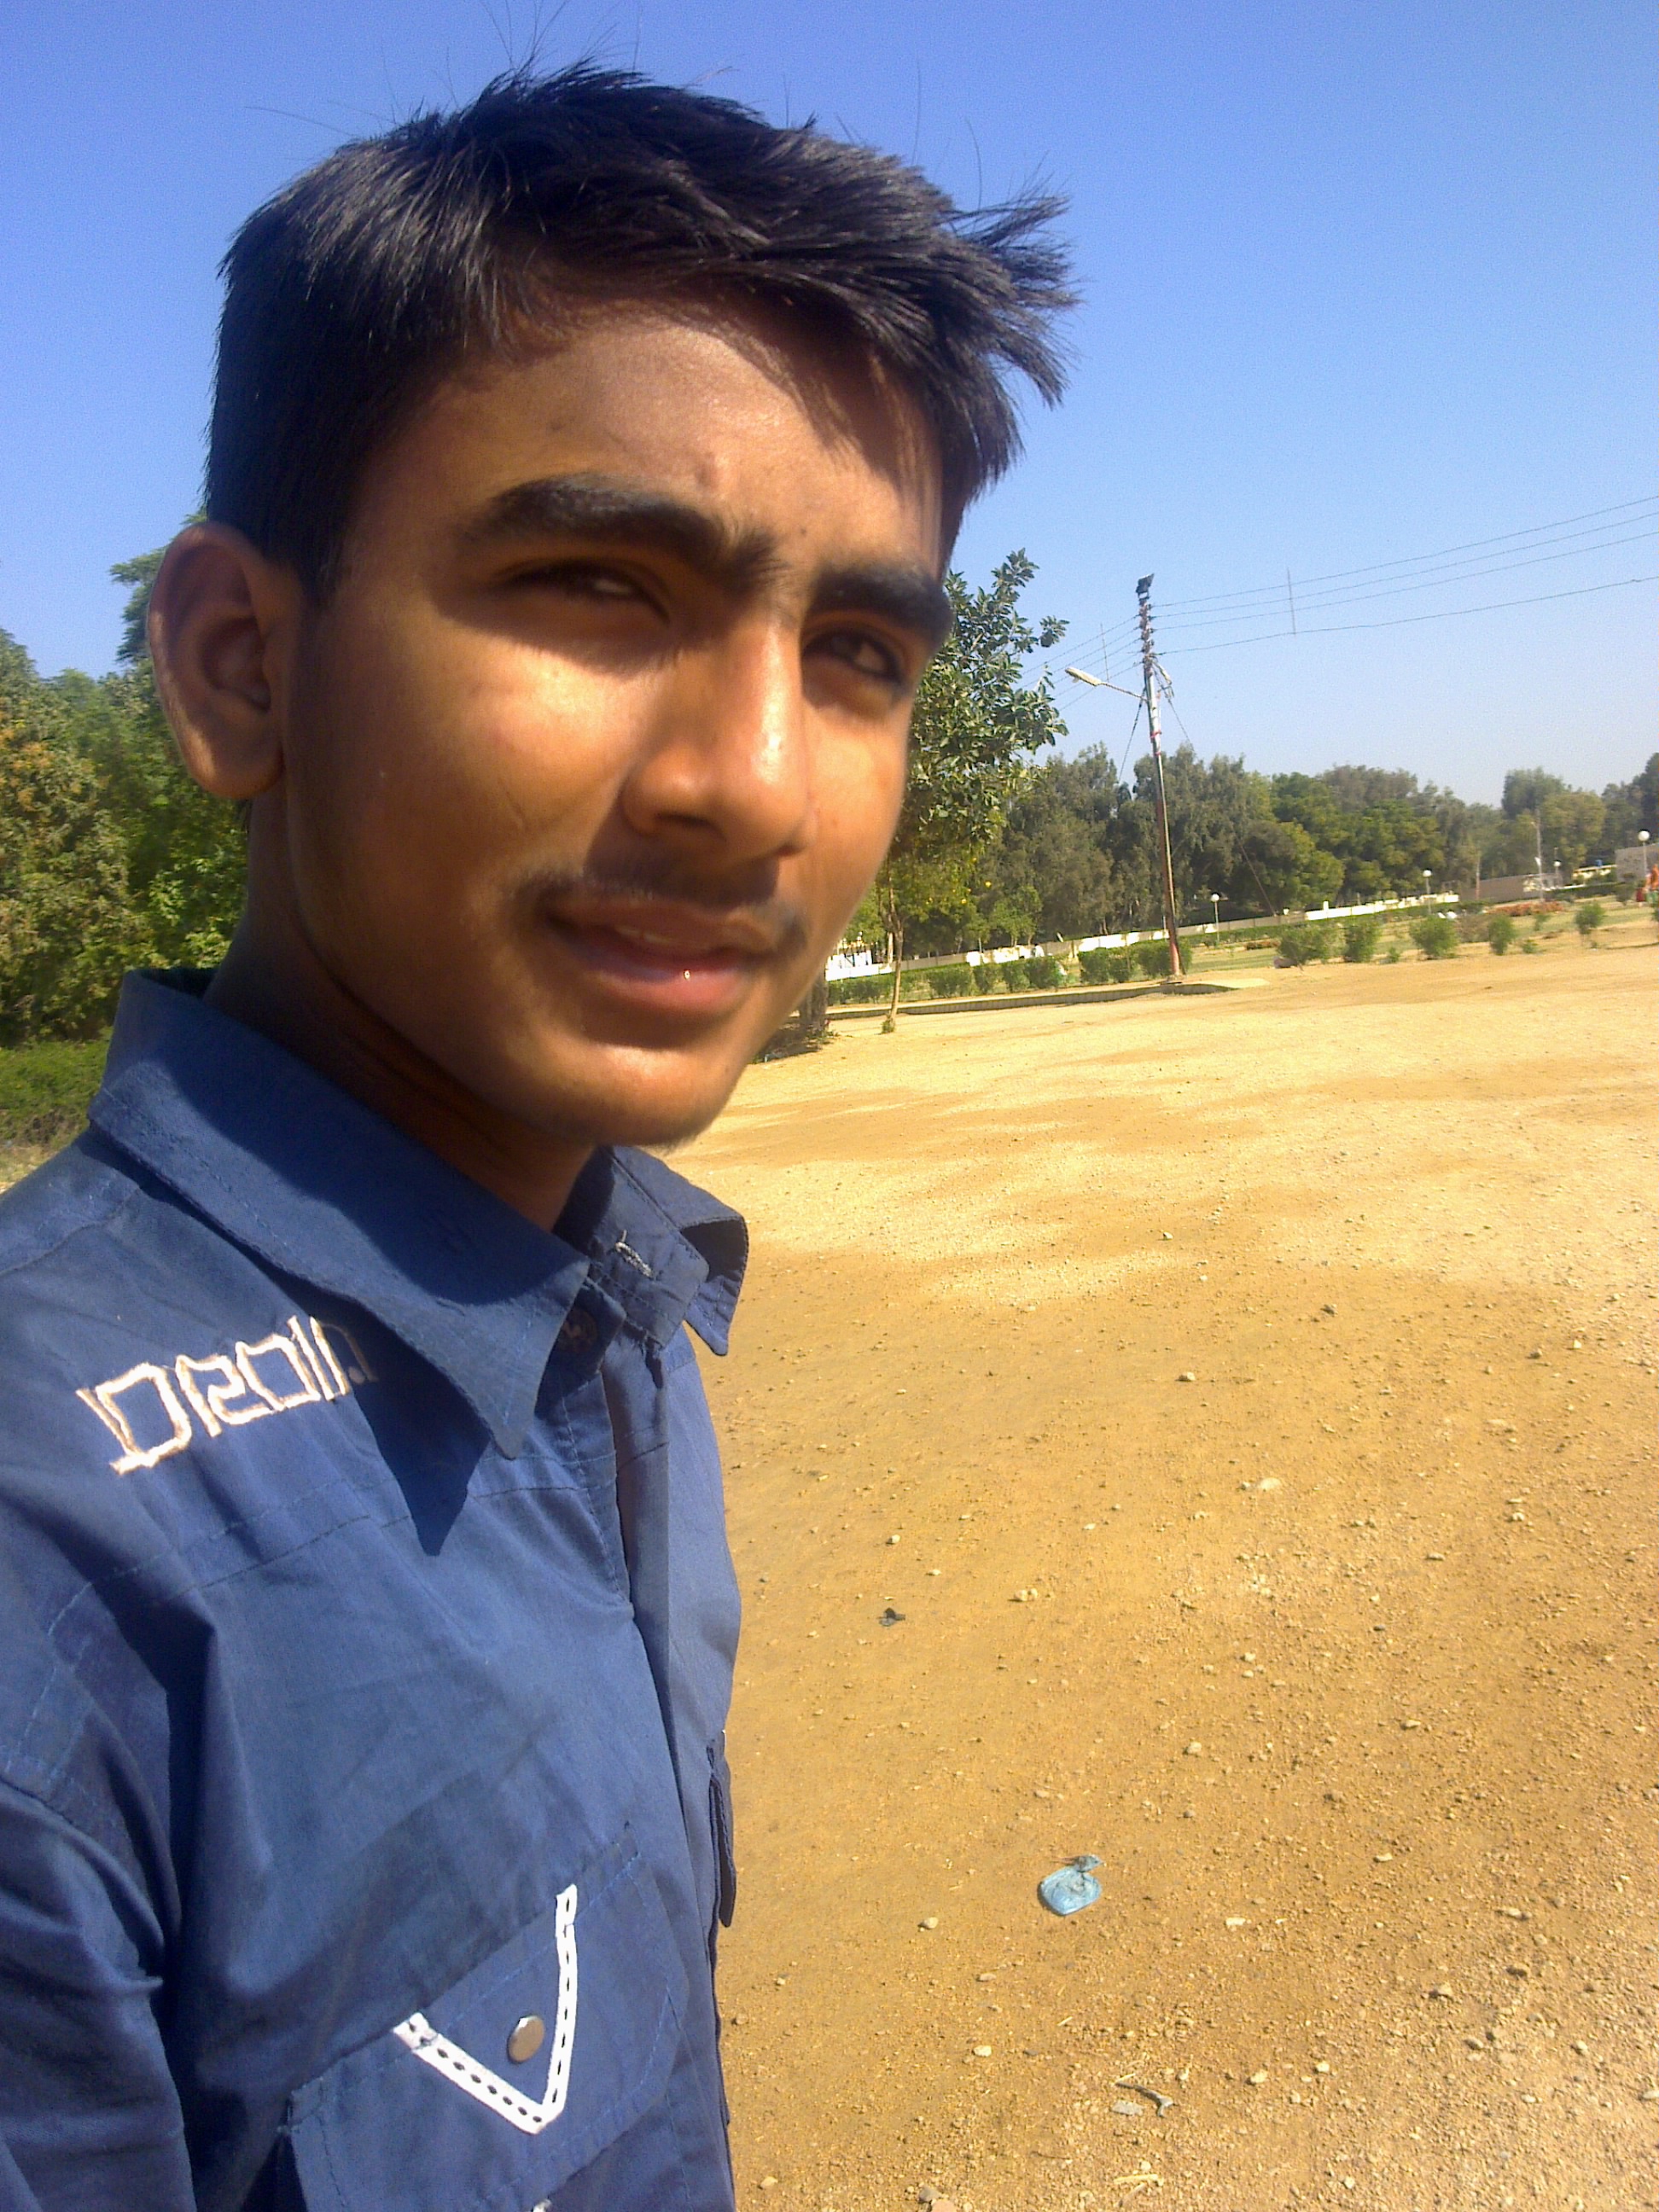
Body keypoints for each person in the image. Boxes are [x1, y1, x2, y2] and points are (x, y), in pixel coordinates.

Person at [0, 66, 1070, 2211]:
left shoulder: (614, 1290)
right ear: (238, 666)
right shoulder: (57, 1575)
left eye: (858, 652)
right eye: (598, 586)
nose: (753, 782)